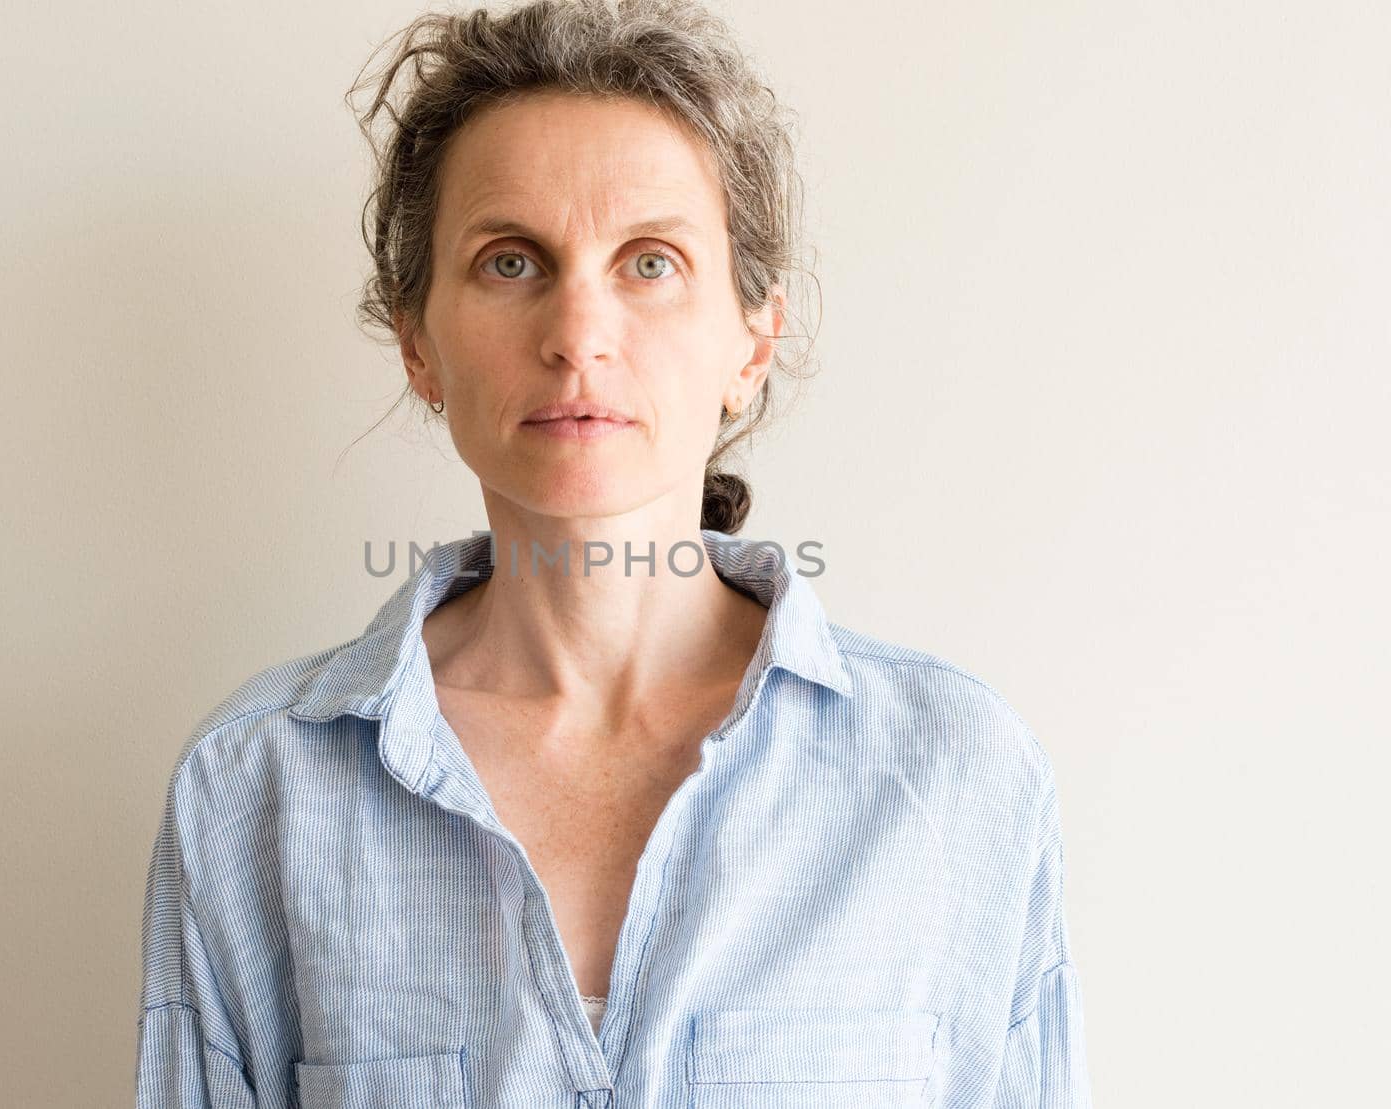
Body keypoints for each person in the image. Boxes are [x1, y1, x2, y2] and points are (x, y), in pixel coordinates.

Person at [134, 1, 1093, 1106]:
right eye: (509, 261)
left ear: (753, 337)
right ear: (417, 341)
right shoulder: (256, 786)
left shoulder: (956, 775)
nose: (578, 333)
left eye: (649, 262)